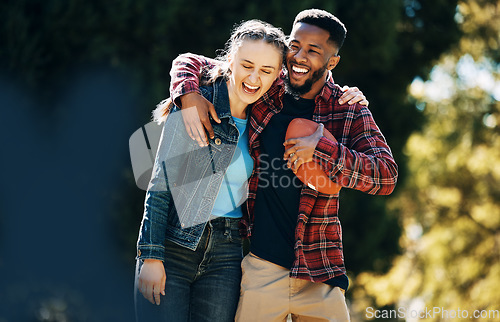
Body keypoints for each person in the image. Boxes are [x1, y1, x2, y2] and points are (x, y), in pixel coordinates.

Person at [169, 9, 398, 322]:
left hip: (321, 272)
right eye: (295, 45)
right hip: (261, 269)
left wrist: (325, 146)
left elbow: (385, 176)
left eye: (313, 51)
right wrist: (188, 94)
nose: (299, 57)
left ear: (332, 62)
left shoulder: (348, 109)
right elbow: (189, 62)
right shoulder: (267, 86)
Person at [134, 19, 287, 322]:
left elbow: (314, 80)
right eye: (247, 65)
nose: (254, 78)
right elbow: (160, 182)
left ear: (276, 76)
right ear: (230, 60)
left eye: (266, 71)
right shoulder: (198, 103)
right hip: (174, 244)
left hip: (227, 253)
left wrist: (351, 95)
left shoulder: (268, 116)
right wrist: (150, 255)